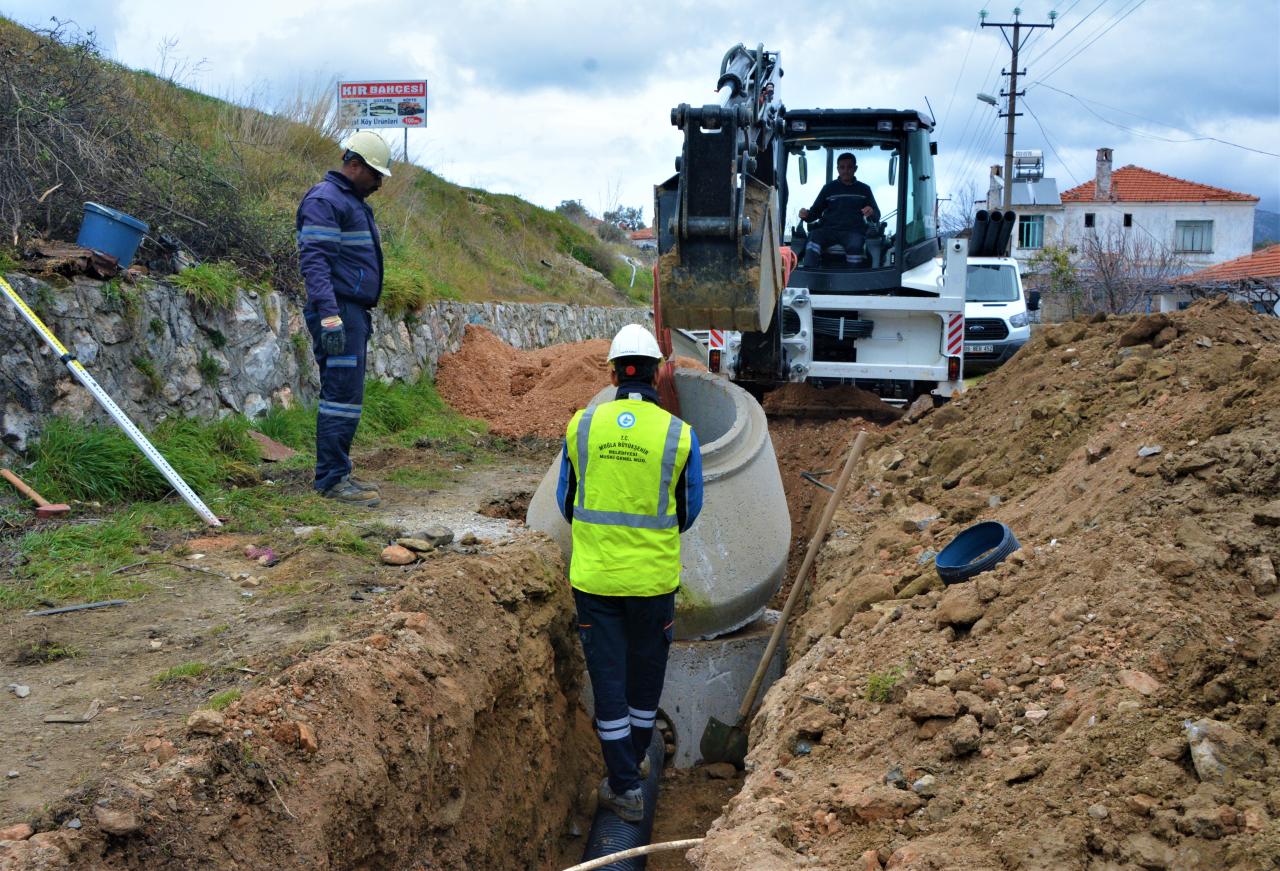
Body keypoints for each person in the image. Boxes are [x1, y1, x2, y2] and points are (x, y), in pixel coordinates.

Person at [555, 324, 703, 822]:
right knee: (644, 683)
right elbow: (690, 509)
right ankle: (633, 768)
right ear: (659, 373)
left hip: (595, 581)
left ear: (614, 373)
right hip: (653, 582)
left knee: (609, 683)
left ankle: (623, 785)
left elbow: (565, 502)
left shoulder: (582, 426)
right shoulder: (678, 435)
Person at [296, 131, 392, 507]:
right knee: (340, 397)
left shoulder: (348, 201)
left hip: (349, 311)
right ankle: (332, 481)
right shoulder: (326, 200)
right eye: (375, 173)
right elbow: (314, 260)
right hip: (338, 310)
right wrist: (330, 315)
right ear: (354, 166)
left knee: (347, 396)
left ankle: (337, 473)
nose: (380, 183)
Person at [798, 152, 880, 268]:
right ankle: (810, 275)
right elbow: (815, 212)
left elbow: (877, 215)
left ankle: (853, 280)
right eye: (842, 167)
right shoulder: (828, 189)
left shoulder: (864, 190)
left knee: (856, 245)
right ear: (838, 169)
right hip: (829, 230)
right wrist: (805, 215)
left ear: (855, 168)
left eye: (849, 167)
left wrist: (871, 212)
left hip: (854, 231)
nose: (845, 170)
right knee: (813, 237)